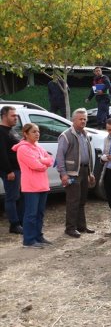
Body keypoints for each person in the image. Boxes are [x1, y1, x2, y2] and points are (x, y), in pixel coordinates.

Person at [56, 108, 97, 238]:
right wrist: (63, 174)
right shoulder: (66, 135)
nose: (83, 121)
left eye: (85, 119)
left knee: (82, 200)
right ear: (73, 120)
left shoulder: (85, 134)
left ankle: (81, 226)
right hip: (72, 173)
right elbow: (59, 157)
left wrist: (90, 172)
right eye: (81, 119)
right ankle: (70, 228)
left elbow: (88, 155)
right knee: (73, 201)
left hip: (84, 171)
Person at [13, 123, 54, 248]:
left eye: (38, 131)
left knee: (39, 213)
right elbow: (36, 166)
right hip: (31, 186)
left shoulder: (38, 147)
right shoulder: (23, 149)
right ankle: (29, 240)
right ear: (25, 134)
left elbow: (50, 159)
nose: (37, 134)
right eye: (34, 132)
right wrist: (43, 162)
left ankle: (38, 236)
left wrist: (42, 161)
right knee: (31, 214)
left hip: (42, 185)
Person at [0, 106, 24, 235]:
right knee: (11, 197)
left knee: (19, 196)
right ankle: (14, 225)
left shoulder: (12, 130)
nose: (16, 118)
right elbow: (2, 154)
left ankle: (20, 221)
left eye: (16, 115)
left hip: (19, 169)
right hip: (11, 171)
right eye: (13, 116)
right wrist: (8, 171)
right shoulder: (1, 131)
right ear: (4, 116)